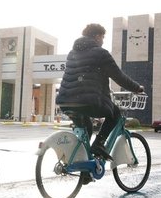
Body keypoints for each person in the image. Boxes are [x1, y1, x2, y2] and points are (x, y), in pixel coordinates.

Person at [55, 23, 145, 181]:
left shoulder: (72, 53)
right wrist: (136, 87)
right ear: (97, 36)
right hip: (88, 100)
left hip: (66, 101)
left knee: (86, 128)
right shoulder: (101, 53)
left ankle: (85, 170)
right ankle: (99, 143)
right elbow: (118, 76)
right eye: (103, 37)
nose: (103, 40)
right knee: (115, 114)